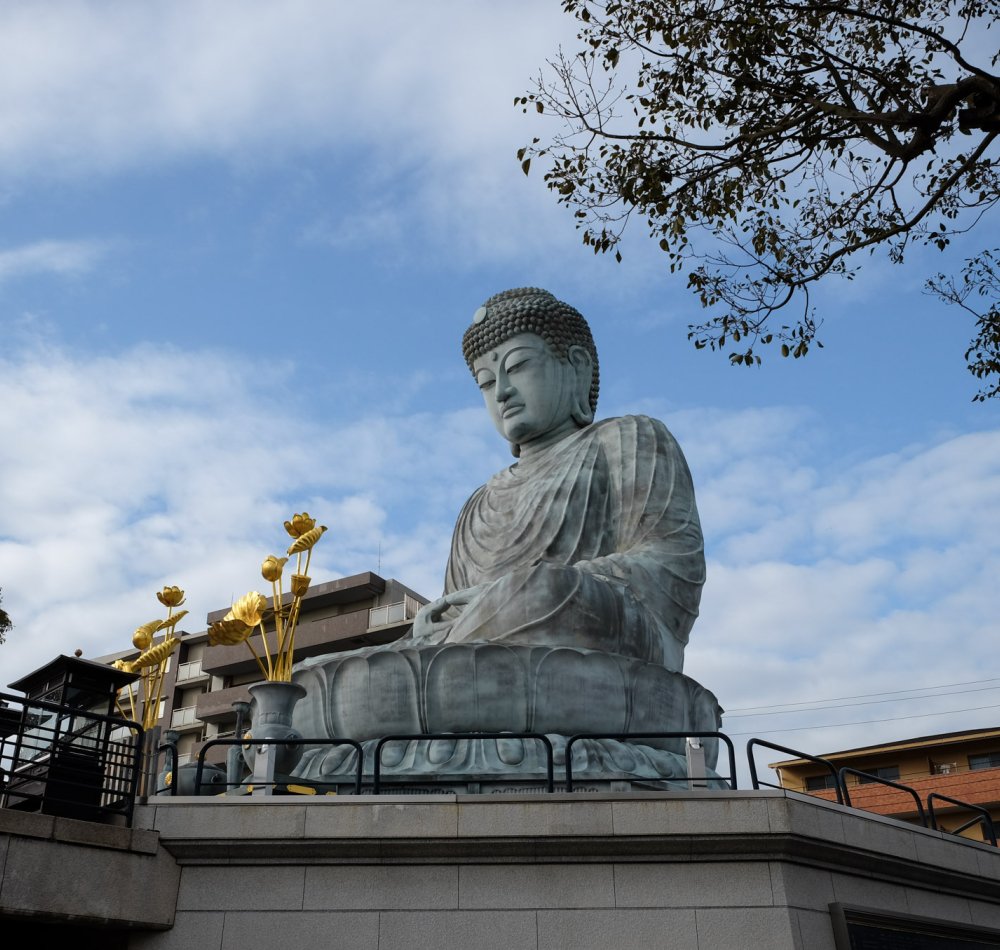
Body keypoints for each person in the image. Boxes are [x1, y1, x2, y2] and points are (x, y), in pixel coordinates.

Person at [409, 287, 705, 673]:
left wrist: (525, 591)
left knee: (541, 592)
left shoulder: (629, 438)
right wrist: (431, 629)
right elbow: (455, 615)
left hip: (600, 644)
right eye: (485, 382)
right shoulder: (477, 504)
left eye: (517, 367)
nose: (502, 392)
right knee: (323, 671)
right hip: (472, 657)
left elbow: (673, 565)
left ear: (576, 366)